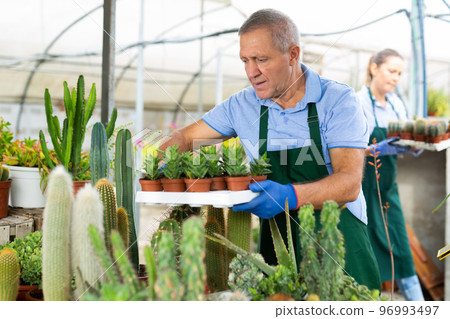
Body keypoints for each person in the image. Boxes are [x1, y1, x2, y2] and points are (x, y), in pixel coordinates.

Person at [160, 8, 380, 290]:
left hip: (338, 242)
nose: (252, 72)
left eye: (261, 59)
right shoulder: (241, 105)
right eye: (245, 61)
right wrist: (161, 163)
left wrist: (288, 195)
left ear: (292, 54)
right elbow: (186, 138)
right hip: (276, 248)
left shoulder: (336, 100)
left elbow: (348, 183)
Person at [357, 48, 425, 301]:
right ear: (374, 68)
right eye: (391, 71)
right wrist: (375, 149)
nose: (396, 78)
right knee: (367, 248)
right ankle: (369, 302)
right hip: (361, 187)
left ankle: (419, 306)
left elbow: (405, 138)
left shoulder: (397, 104)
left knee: (401, 246)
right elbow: (347, 149)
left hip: (388, 187)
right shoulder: (358, 101)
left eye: (400, 73)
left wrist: (415, 146)